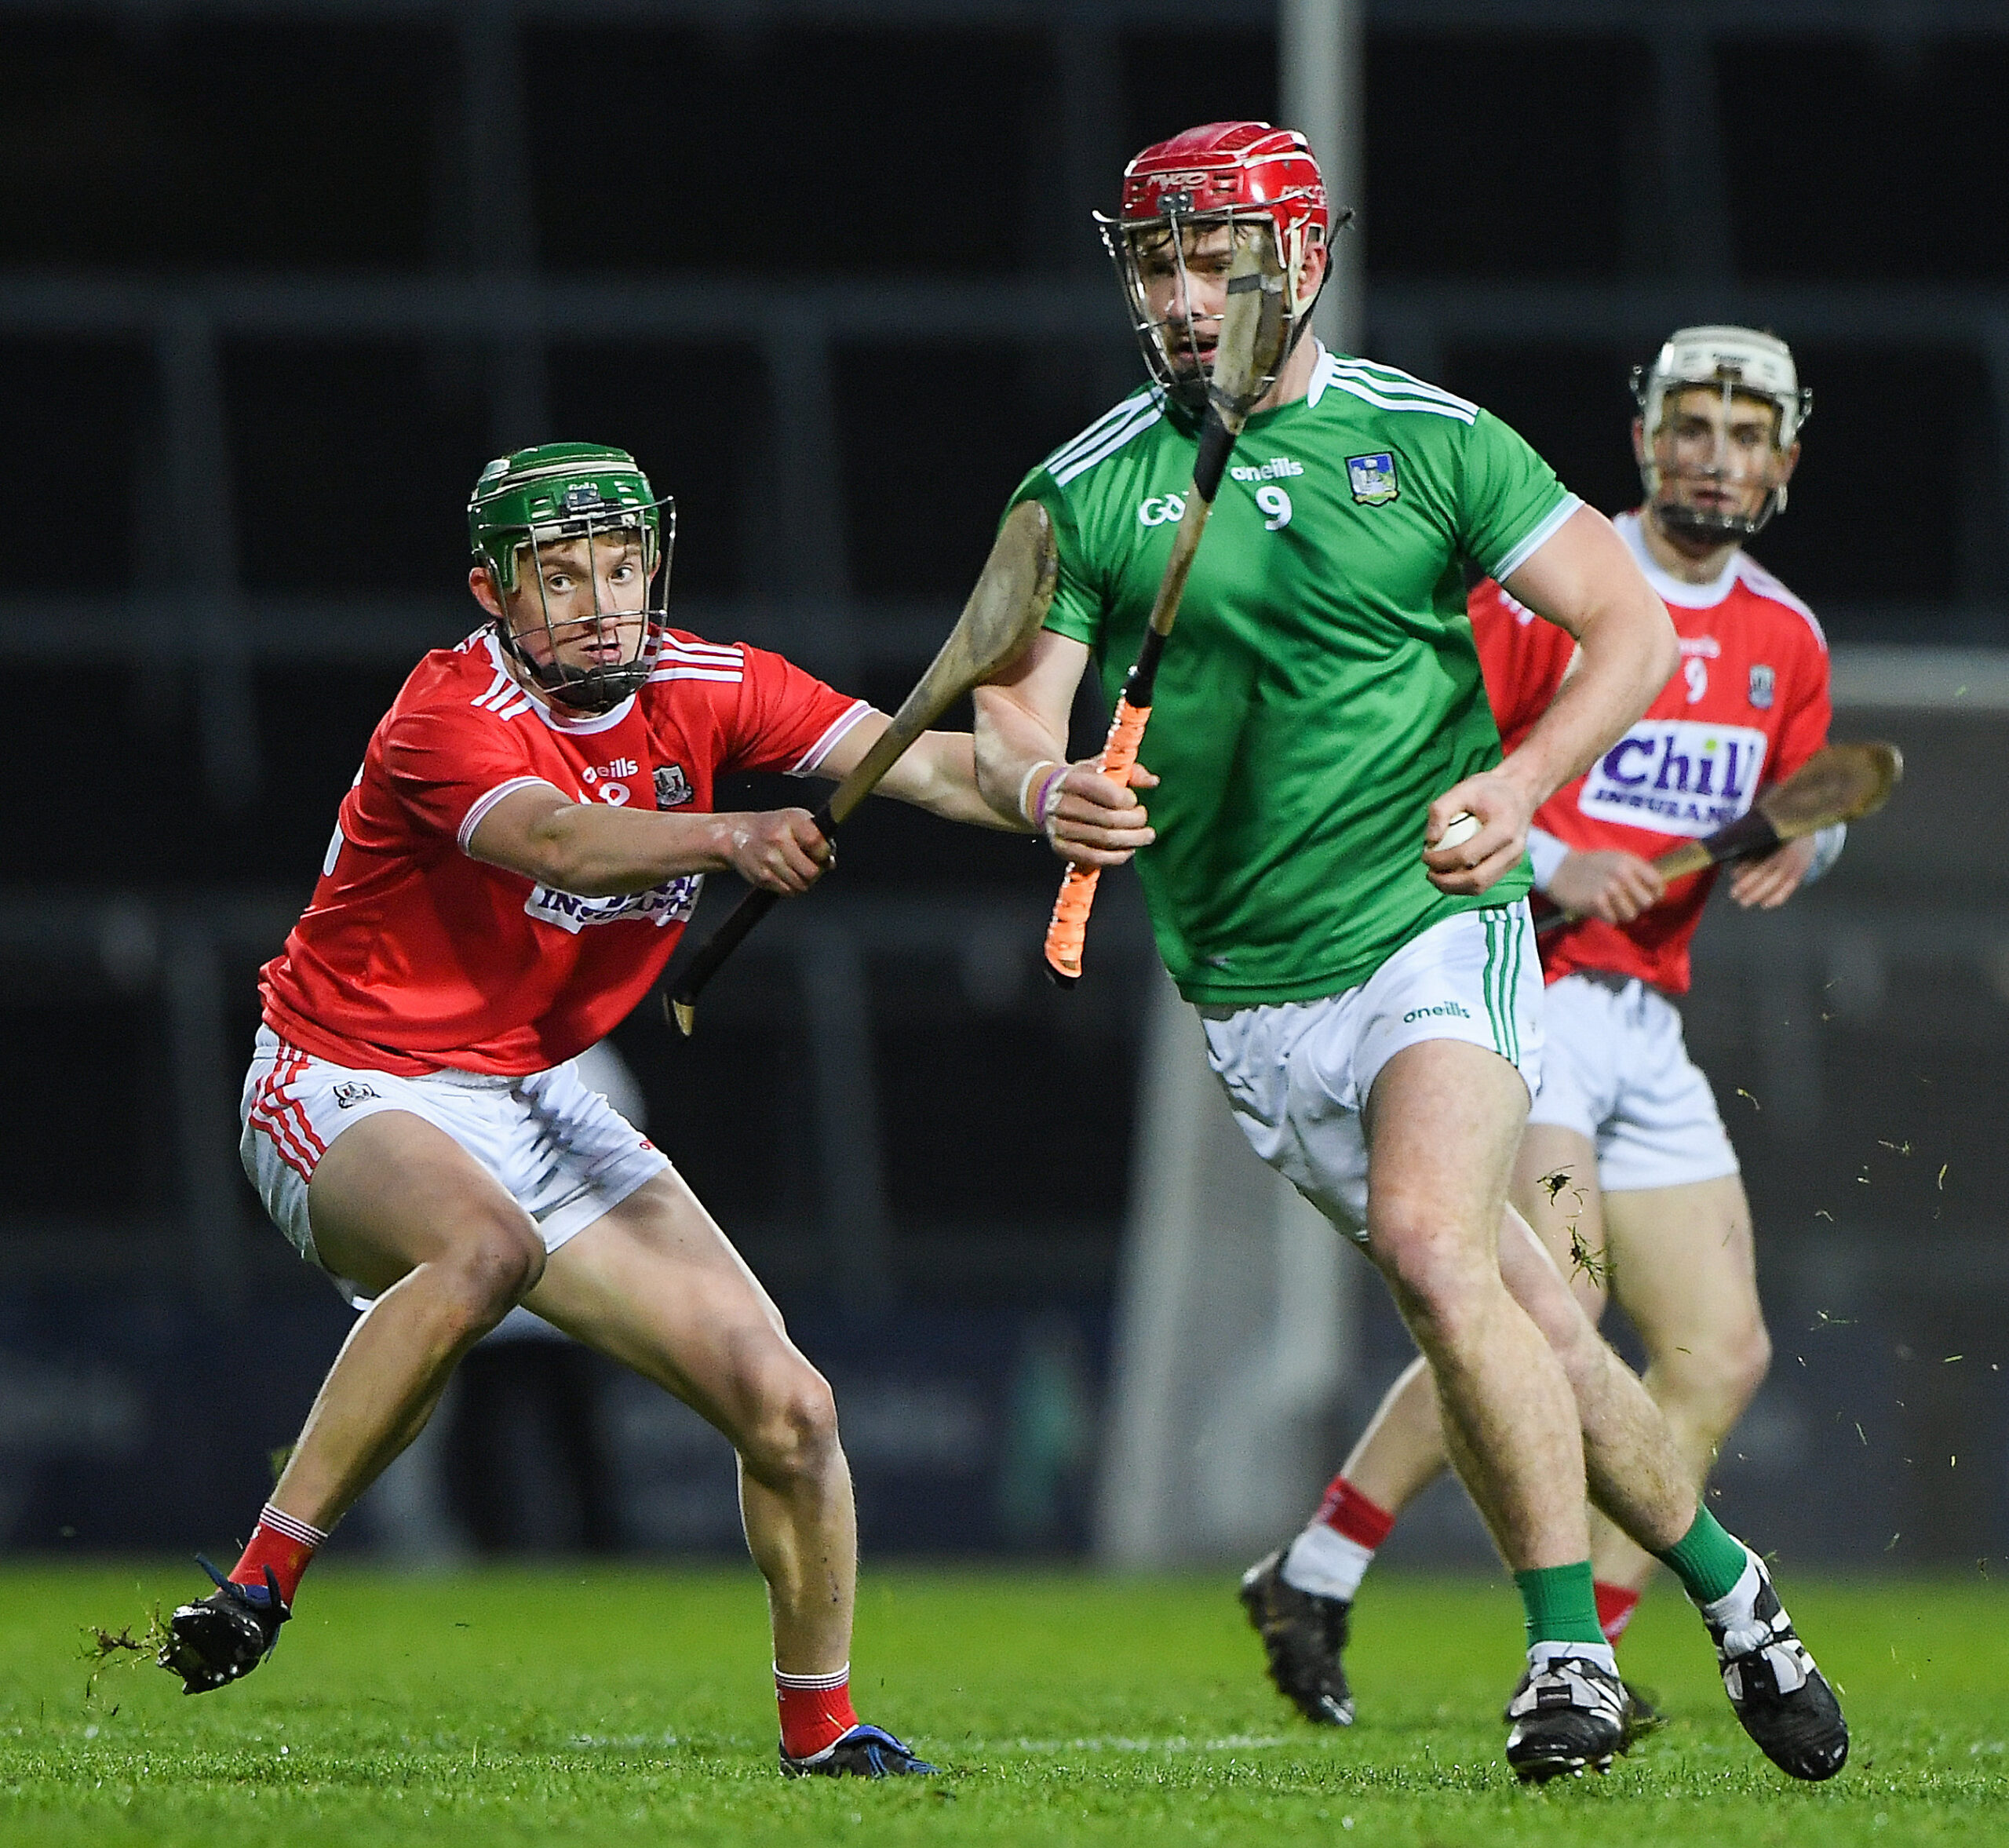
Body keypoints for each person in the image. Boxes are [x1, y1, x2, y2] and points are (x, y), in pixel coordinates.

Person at [971, 124, 1847, 1783]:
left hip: (1437, 929)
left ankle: (1565, 1659)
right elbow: (1015, 702)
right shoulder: (1082, 485)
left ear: (1300, 259)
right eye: (1154, 259)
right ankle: (1736, 1597)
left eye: (1212, 259)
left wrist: (1516, 789)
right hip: (1245, 981)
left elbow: (1628, 624)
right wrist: (1046, 781)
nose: (1177, 294)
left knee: (1439, 1248)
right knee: (1521, 1293)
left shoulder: (1429, 442)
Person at [158, 441, 1015, 1777]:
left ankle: (821, 1730)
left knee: (790, 1409)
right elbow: (555, 836)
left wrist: (1052, 796)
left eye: (623, 566)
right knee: (479, 1250)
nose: (603, 601)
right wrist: (730, 834)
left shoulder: (715, 684)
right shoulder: (447, 712)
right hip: (345, 1072)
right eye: (561, 576)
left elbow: (928, 767)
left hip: (533, 1089)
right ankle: (258, 1583)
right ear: (495, 591)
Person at [1242, 326, 1842, 1736]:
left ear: (1785, 461)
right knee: (1548, 1300)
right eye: (1690, 423)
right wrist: (1553, 856)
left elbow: (1796, 813)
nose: (1715, 453)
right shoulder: (1549, 588)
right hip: (1529, 991)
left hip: (1651, 1020)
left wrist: (1793, 858)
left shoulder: (1785, 641)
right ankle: (1530, 1630)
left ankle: (1355, 1576)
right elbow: (1430, 772)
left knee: (1720, 1351)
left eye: (1747, 434)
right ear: (1644, 437)